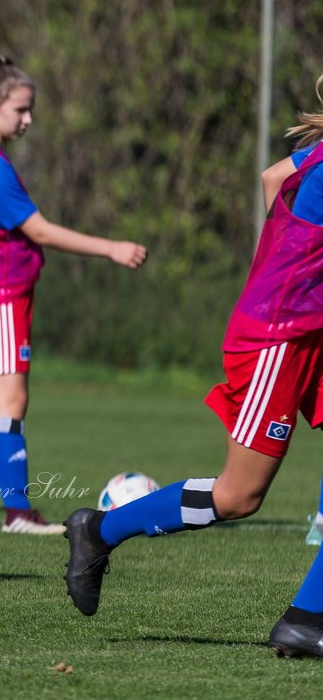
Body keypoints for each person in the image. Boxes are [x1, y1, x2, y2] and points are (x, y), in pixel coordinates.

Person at [65, 76, 323, 657]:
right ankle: (98, 530)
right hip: (279, 338)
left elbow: (273, 178)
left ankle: (308, 617)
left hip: (303, 329)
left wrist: (289, 260)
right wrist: (288, 276)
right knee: (238, 497)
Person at [0, 56, 148, 534]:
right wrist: (111, 248)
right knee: (10, 402)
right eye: (21, 109)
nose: (29, 119)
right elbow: (40, 230)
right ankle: (18, 512)